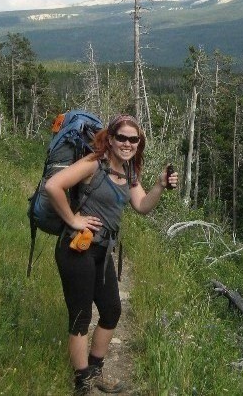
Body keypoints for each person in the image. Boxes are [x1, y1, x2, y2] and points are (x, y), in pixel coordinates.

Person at [44, 114, 178, 394]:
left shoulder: (129, 173)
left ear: (139, 143)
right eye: (122, 138)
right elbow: (53, 186)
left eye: (134, 139)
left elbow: (141, 206)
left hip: (102, 252)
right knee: (81, 316)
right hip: (76, 249)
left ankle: (95, 371)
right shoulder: (93, 163)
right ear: (111, 138)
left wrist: (159, 186)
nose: (127, 143)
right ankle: (83, 383)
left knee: (111, 311)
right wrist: (73, 219)